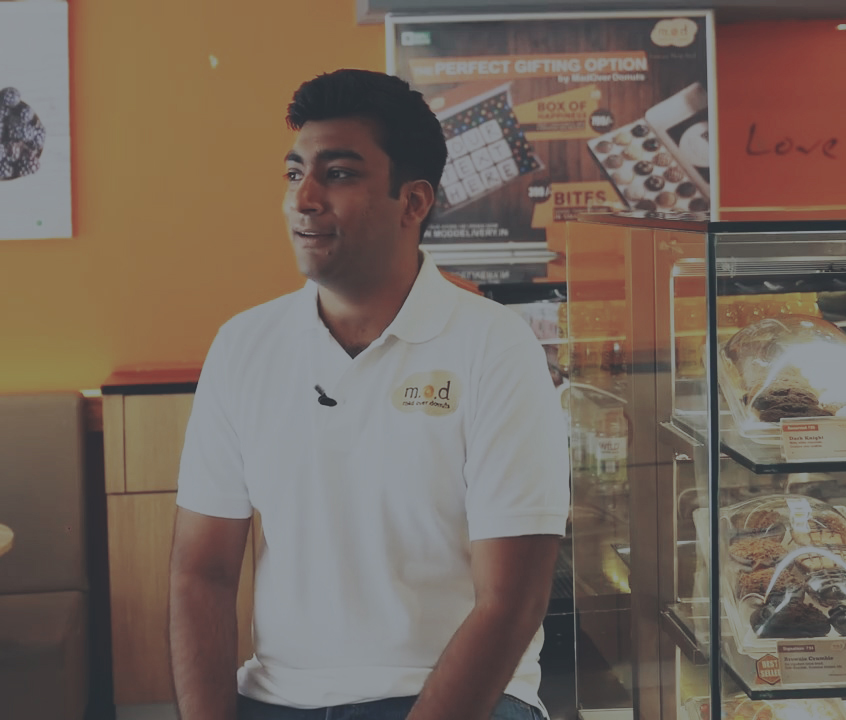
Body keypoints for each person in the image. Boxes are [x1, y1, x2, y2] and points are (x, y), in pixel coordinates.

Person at [168, 68, 570, 720]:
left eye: (339, 174)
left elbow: (510, 602)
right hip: (279, 696)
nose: (304, 198)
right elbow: (201, 572)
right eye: (294, 173)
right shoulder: (244, 345)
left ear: (413, 203)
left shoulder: (496, 347)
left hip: (457, 695)